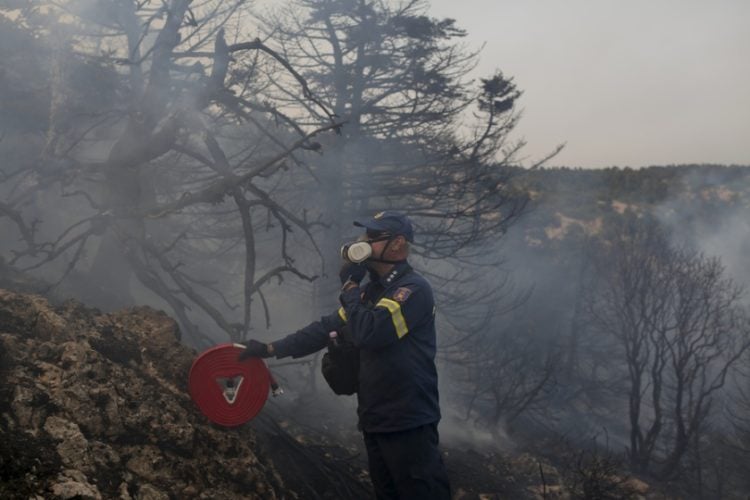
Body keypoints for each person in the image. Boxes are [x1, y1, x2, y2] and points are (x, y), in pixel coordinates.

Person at [238, 211, 451, 500]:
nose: (364, 242)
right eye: (366, 235)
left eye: (373, 237)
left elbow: (370, 333)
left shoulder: (412, 290)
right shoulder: (369, 294)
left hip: (409, 423)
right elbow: (326, 328)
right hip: (375, 420)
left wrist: (350, 289)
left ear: (398, 244)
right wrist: (270, 349)